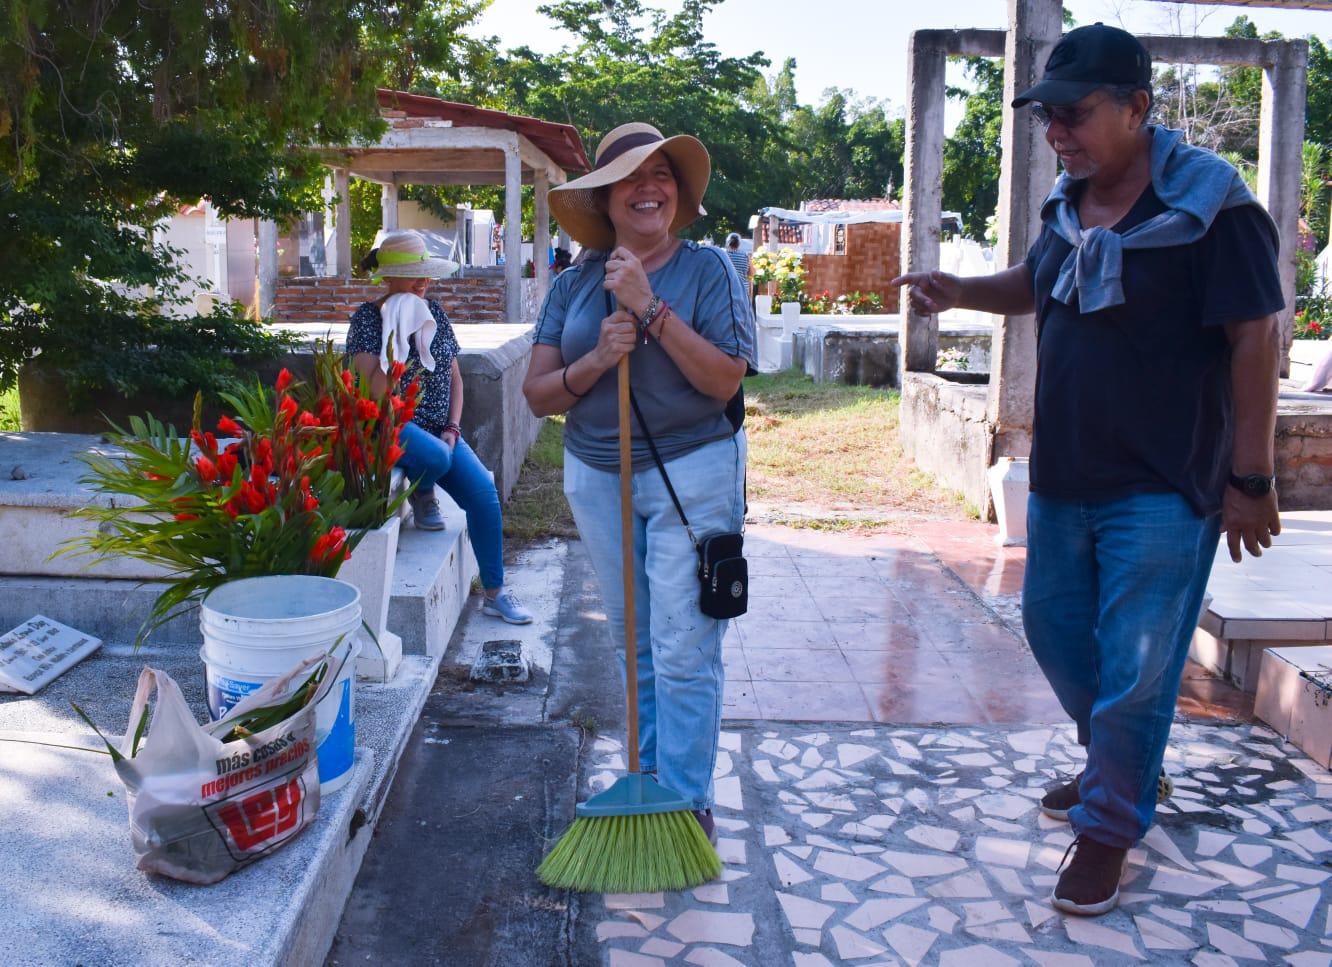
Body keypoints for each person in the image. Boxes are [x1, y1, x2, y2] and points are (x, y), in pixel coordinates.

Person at [894, 23, 1283, 917]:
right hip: (1064, 475)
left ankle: (1109, 825)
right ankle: (1125, 760)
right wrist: (961, 289)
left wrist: (1251, 477)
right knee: (1058, 636)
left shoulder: (1214, 211)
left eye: (1074, 114)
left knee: (1139, 667)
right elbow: (1038, 282)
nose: (1058, 133)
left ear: (1138, 107)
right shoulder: (1066, 207)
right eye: (1048, 120)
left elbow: (1256, 336)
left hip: (1163, 483)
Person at [523, 123, 755, 842]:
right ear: (606, 199)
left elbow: (723, 381)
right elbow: (538, 394)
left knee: (686, 640)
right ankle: (648, 775)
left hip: (694, 473)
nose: (650, 186)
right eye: (632, 176)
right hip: (597, 475)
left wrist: (651, 308)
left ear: (675, 195)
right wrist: (595, 359)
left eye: (662, 173)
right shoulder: (572, 285)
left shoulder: (709, 271)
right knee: (636, 640)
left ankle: (684, 802)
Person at [347, 230, 533, 625]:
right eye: (413, 274)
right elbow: (376, 397)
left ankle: (495, 591)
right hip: (390, 425)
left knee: (483, 491)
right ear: (388, 277)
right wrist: (395, 331)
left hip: (437, 426)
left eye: (425, 274)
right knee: (434, 455)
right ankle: (424, 487)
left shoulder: (435, 313)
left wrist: (452, 425)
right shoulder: (367, 320)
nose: (423, 282)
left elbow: (456, 378)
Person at [724, 233, 751, 300]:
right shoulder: (745, 255)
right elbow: (751, 273)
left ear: (728, 243)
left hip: (727, 288)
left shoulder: (724, 254)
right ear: (739, 244)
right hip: (743, 288)